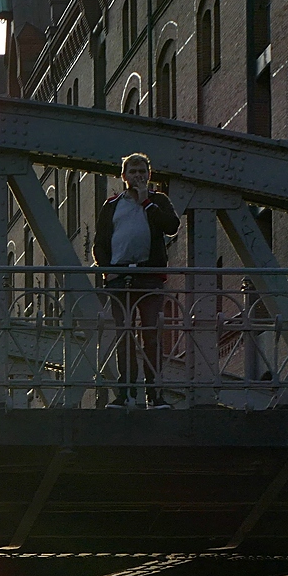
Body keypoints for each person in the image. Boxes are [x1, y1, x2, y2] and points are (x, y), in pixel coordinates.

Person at [95, 152, 180, 407]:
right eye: (133, 172)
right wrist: (108, 270)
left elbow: (171, 226)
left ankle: (154, 394)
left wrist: (147, 203)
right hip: (120, 279)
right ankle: (125, 392)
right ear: (124, 176)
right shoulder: (111, 205)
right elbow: (100, 244)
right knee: (124, 335)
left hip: (150, 277)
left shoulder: (158, 201)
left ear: (149, 174)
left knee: (152, 335)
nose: (138, 176)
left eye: (142, 171)